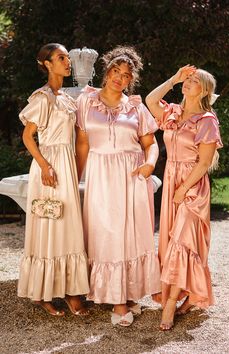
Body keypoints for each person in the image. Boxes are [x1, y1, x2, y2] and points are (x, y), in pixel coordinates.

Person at [75, 46, 161, 327]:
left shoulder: (136, 106)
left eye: (125, 76)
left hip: (132, 174)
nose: (119, 78)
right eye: (116, 72)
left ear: (130, 80)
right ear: (107, 71)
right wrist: (76, 178)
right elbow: (83, 144)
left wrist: (149, 165)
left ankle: (130, 294)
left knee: (132, 234)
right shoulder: (86, 102)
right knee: (108, 233)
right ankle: (117, 300)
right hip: (101, 174)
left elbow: (150, 144)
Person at [146, 65, 223, 330]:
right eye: (186, 80)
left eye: (192, 81)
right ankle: (186, 293)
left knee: (183, 240)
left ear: (204, 90)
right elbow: (150, 100)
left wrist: (183, 189)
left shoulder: (207, 120)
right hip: (171, 179)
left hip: (193, 186)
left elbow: (203, 164)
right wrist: (173, 77)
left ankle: (170, 304)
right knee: (172, 240)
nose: (187, 83)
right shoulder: (174, 114)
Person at [17, 43, 90, 316]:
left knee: (69, 224)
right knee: (49, 224)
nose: (67, 62)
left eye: (67, 58)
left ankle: (71, 291)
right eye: (61, 58)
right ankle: (42, 292)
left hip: (67, 165)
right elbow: (27, 137)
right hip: (48, 167)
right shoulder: (42, 97)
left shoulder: (68, 99)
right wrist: (45, 166)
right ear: (47, 64)